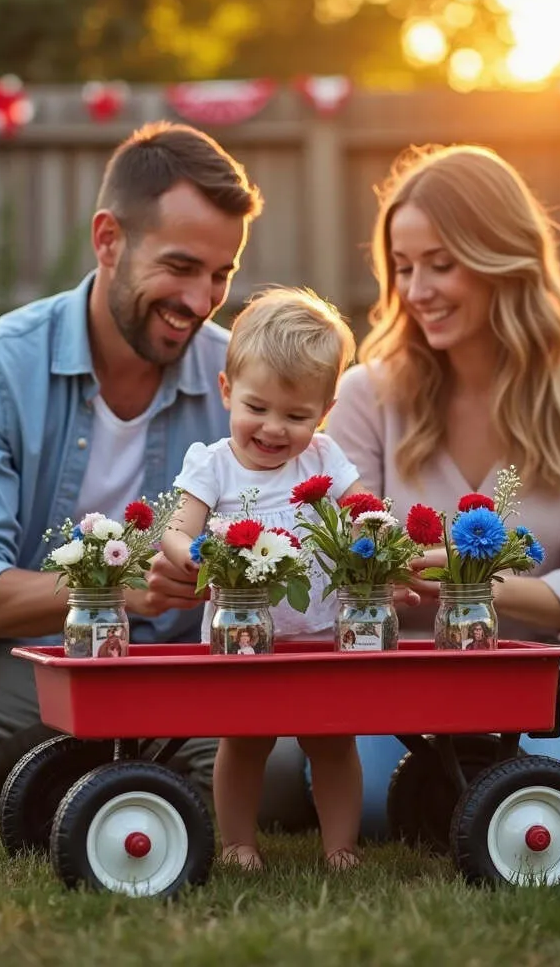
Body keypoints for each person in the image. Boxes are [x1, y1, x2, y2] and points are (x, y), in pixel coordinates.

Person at [0, 121, 262, 827]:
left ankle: (89, 776)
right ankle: (87, 773)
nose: (201, 298)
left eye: (221, 274)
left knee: (276, 784)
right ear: (108, 240)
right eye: (180, 267)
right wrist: (114, 586)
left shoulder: (238, 380)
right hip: (24, 663)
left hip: (183, 667)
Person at [319, 142, 560, 836]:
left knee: (532, 806)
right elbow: (345, 569)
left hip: (544, 680)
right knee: (382, 811)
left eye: (441, 263)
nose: (417, 289)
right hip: (400, 677)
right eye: (403, 267)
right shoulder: (367, 396)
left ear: (504, 258)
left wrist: (469, 586)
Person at [161, 286, 365, 870]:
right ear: (227, 391)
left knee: (332, 740)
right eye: (258, 408)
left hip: (321, 632)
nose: (274, 428)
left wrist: (378, 540)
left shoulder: (324, 459)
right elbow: (178, 529)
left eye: (297, 415)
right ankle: (238, 843)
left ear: (322, 414)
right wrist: (195, 552)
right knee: (244, 741)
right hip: (242, 634)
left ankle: (340, 846)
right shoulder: (214, 463)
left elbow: (365, 510)